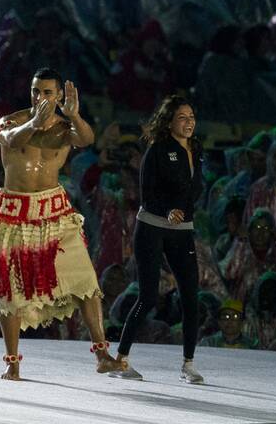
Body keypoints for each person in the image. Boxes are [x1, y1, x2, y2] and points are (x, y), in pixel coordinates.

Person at [0, 68, 119, 380]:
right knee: (11, 293)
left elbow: (88, 139)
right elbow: (10, 140)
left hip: (54, 212)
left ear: (59, 96)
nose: (40, 98)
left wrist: (75, 116)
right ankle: (12, 363)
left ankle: (103, 354)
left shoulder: (66, 129)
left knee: (85, 283)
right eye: (36, 91)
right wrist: (34, 123)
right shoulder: (12, 121)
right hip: (14, 214)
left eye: (47, 93)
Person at [112, 95, 205, 384]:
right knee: (148, 296)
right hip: (152, 226)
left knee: (191, 297)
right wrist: (168, 210)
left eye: (191, 117)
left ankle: (188, 365)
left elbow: (196, 188)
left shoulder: (196, 148)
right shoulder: (157, 150)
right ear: (169, 120)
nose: (188, 122)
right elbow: (148, 192)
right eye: (182, 117)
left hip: (182, 230)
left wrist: (184, 212)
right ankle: (121, 360)